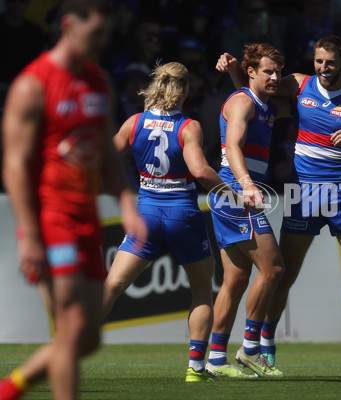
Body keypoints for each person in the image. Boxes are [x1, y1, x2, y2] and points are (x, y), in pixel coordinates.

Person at [216, 35, 341, 379]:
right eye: (318, 61)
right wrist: (233, 72)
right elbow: (256, 93)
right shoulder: (299, 84)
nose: (323, 68)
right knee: (283, 275)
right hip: (304, 193)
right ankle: (266, 347)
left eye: (330, 62)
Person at [0, 1, 147, 399]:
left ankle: (11, 388)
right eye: (95, 34)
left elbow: (106, 154)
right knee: (71, 325)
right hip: (49, 219)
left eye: (106, 36)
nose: (102, 43)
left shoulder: (98, 82)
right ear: (68, 25)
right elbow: (13, 166)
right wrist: (29, 233)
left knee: (87, 338)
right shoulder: (33, 85)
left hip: (86, 220)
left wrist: (127, 204)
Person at [101, 61, 243, 383]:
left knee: (113, 286)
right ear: (185, 89)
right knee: (202, 291)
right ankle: (195, 368)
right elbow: (200, 171)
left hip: (146, 215)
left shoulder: (134, 122)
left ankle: (69, 348)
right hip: (183, 215)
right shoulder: (188, 126)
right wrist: (232, 193)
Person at [206, 43, 287, 379]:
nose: (275, 77)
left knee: (236, 279)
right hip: (237, 194)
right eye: (268, 71)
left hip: (232, 195)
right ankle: (250, 349)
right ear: (252, 72)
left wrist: (236, 70)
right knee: (274, 268)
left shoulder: (256, 102)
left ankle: (214, 358)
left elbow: (246, 88)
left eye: (278, 72)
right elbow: (233, 146)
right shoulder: (242, 102)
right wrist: (246, 184)